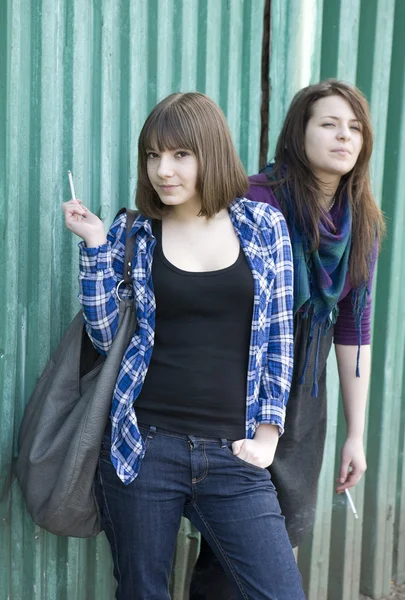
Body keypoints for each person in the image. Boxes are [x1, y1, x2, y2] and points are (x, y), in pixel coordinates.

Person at [62, 92, 306, 600]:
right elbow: (107, 338)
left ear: (209, 153)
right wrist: (94, 246)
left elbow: (282, 335)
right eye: (153, 155)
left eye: (179, 155)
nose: (162, 170)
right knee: (142, 590)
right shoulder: (137, 233)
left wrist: (267, 438)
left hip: (233, 452)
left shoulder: (263, 227)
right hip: (142, 446)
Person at [190, 79, 385, 599]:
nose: (345, 137)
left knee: (275, 537)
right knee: (230, 543)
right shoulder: (253, 198)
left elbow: (353, 328)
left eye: (355, 128)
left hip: (302, 400)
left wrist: (356, 434)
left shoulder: (361, 223)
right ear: (299, 133)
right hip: (239, 381)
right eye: (329, 124)